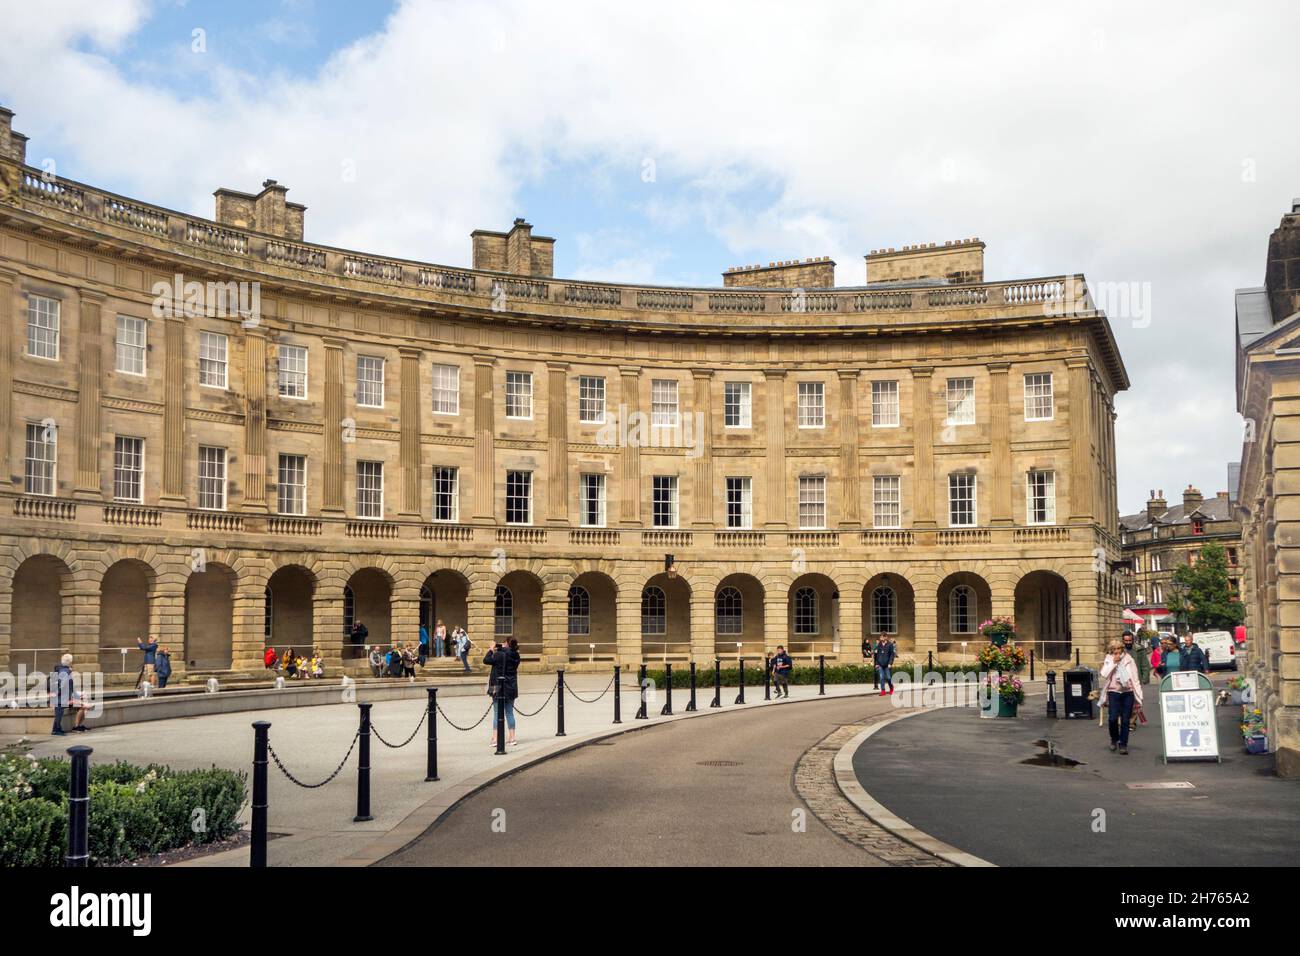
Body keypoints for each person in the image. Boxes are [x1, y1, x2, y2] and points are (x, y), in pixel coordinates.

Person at [1100, 639, 1144, 754]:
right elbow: (1104, 674)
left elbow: (1135, 678)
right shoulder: (1109, 659)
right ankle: (1114, 738)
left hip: (1127, 692)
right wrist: (1114, 663)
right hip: (1114, 692)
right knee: (1112, 718)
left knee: (1125, 720)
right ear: (1111, 650)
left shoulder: (1129, 659)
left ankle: (1123, 744)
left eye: (1119, 649)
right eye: (1114, 649)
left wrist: (1139, 695)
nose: (1117, 651)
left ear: (1122, 649)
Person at [485, 637, 521, 748]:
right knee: (510, 713)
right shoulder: (516, 655)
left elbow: (486, 660)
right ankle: (512, 738)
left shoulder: (498, 654)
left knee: (496, 713)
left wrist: (491, 649)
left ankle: (495, 739)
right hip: (511, 686)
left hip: (496, 685)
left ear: (506, 644)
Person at [50, 653, 88, 735]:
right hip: (61, 697)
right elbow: (63, 686)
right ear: (70, 662)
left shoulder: (63, 670)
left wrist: (77, 697)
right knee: (59, 713)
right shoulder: (65, 671)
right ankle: (56, 730)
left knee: (59, 713)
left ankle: (58, 729)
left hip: (63, 697)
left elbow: (70, 687)